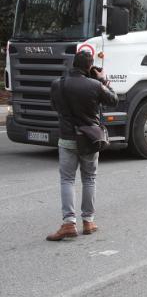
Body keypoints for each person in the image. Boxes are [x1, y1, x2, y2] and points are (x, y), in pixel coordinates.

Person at [46, 50, 118, 241]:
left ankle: (69, 224)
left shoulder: (57, 84)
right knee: (89, 179)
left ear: (73, 64)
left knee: (67, 180)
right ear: (89, 66)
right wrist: (103, 80)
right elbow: (114, 100)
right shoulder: (95, 85)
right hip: (89, 139)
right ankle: (88, 222)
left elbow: (55, 107)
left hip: (67, 138)